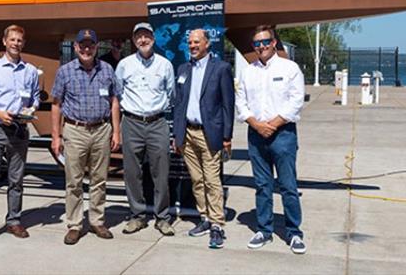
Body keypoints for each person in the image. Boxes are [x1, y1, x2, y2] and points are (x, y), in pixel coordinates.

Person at [235, 25, 306, 254]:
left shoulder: (290, 68)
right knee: (262, 185)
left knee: (288, 186)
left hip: (283, 134)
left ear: (274, 43)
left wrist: (273, 124)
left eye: (265, 42)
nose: (262, 46)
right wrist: (256, 124)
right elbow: (241, 102)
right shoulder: (248, 71)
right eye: (257, 43)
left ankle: (294, 232)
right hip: (256, 135)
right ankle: (264, 230)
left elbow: (296, 101)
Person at [51, 29, 121, 245]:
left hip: (101, 130)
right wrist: (56, 136)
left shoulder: (107, 69)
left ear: (97, 47)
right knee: (74, 181)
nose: (86, 49)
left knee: (100, 179)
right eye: (82, 45)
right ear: (76, 47)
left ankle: (97, 220)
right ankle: (74, 224)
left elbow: (114, 101)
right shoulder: (65, 71)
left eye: (91, 45)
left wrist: (116, 131)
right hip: (75, 130)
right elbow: (56, 104)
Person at [0, 24, 40, 246]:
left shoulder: (30, 71)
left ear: (23, 43)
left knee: (16, 179)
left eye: (19, 40)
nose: (15, 43)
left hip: (19, 130)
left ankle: (14, 220)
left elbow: (35, 97)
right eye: (12, 40)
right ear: (5, 42)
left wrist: (30, 110)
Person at [172, 29, 235, 249]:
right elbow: (179, 104)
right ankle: (205, 218)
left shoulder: (221, 69)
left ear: (207, 43)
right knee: (197, 180)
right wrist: (177, 135)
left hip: (210, 133)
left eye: (196, 42)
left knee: (212, 180)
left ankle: (217, 224)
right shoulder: (183, 69)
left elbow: (228, 105)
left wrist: (227, 136)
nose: (192, 46)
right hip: (188, 134)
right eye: (190, 42)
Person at [114, 22, 175, 236]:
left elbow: (171, 94)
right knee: (132, 173)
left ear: (154, 38)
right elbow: (118, 93)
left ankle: (163, 217)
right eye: (138, 36)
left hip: (157, 123)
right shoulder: (124, 65)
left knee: (161, 173)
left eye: (146, 36)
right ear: (134, 40)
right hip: (131, 123)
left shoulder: (165, 65)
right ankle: (137, 216)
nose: (143, 40)